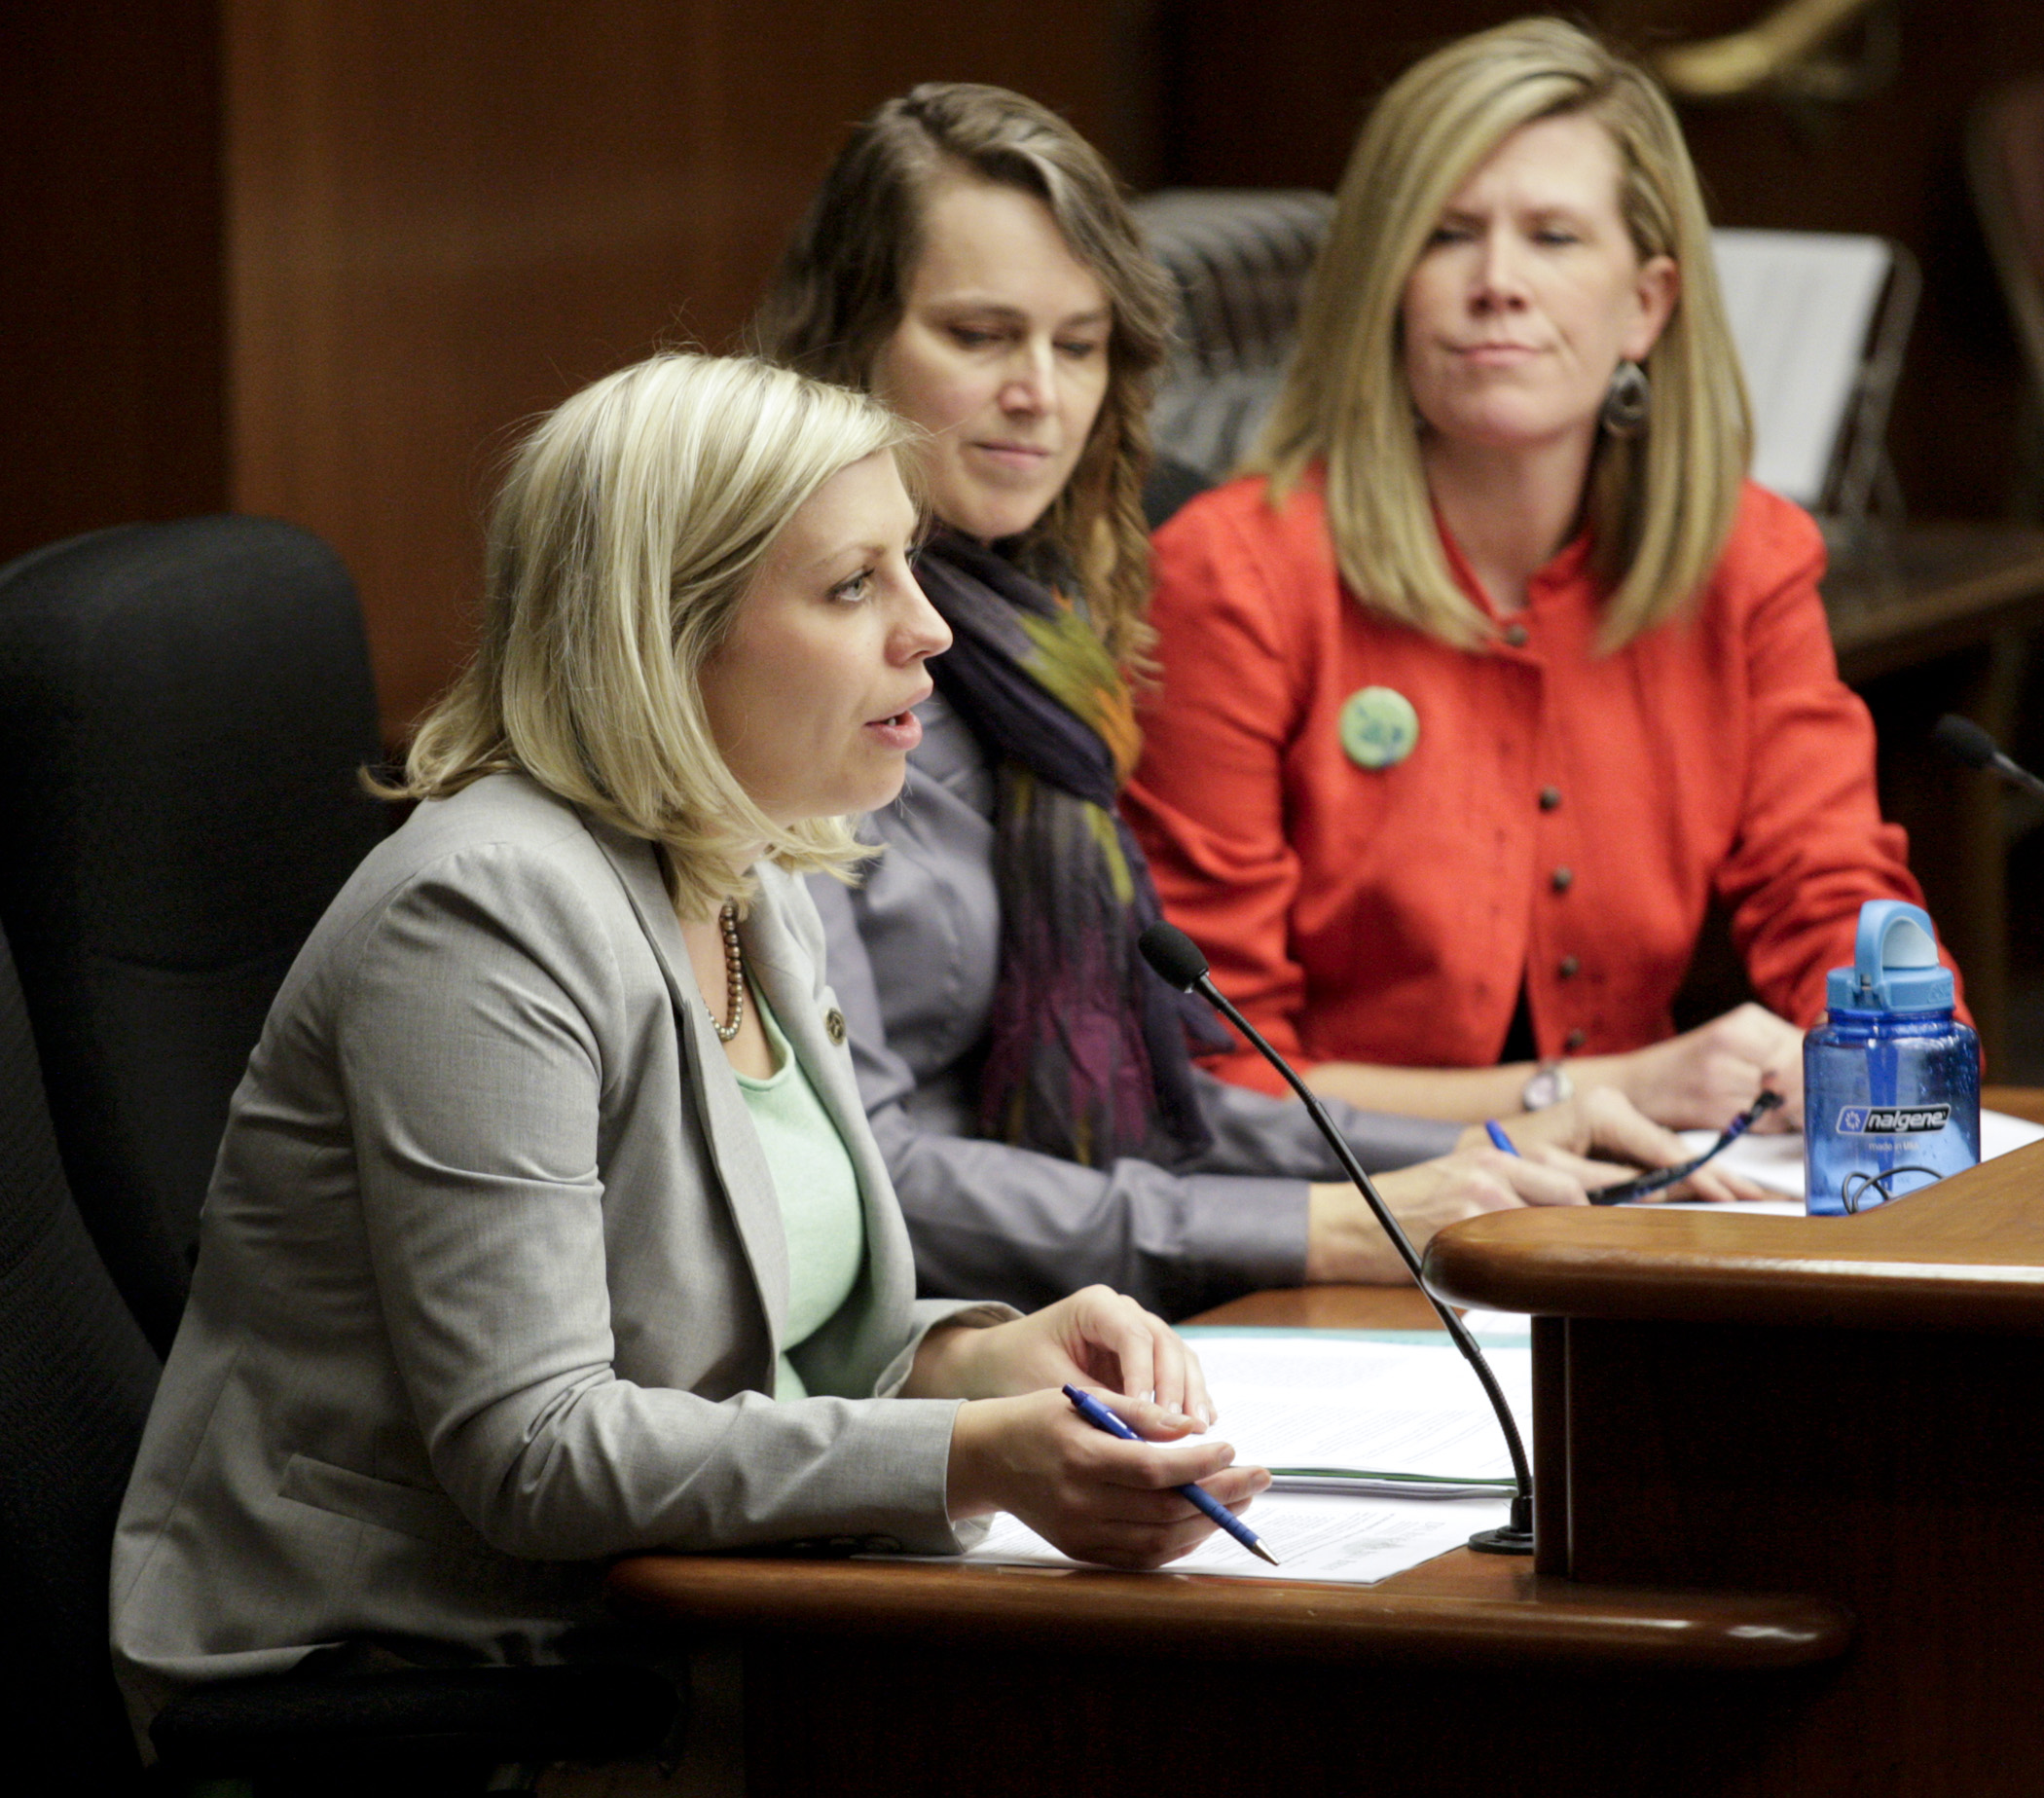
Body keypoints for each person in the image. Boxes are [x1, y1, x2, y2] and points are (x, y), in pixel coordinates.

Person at [109, 352, 1267, 1752]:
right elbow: (536, 1451)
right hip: (413, 1673)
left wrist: (988, 1362)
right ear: (664, 632)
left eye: (910, 567)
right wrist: (968, 1459)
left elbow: (762, 1348)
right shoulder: (481, 916)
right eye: (854, 587)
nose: (931, 631)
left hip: (683, 1613)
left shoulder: (746, 858)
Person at [753, 82, 1751, 1322]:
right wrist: (1319, 1226)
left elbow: (1152, 1097)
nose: (1040, 394)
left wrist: (1509, 1136)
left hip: (1052, 1309)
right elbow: (863, 1174)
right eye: (979, 335)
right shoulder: (774, 667)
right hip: (903, 1348)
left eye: (1079, 345)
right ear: (849, 344)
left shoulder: (1042, 650)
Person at [1124, 18, 1958, 1132]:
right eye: (1449, 234)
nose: (1498, 283)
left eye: (1555, 237)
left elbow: (1833, 897)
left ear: (1646, 305)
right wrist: (1589, 1094)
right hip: (1337, 1225)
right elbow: (1222, 1073)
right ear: (1389, 289)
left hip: (1639, 1203)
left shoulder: (1743, 560)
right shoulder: (1235, 576)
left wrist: (1886, 1061)